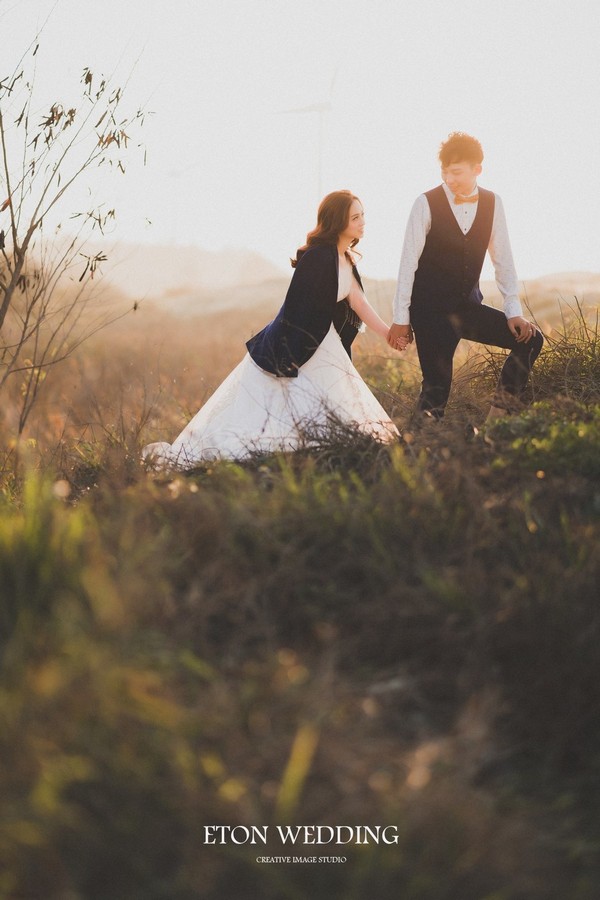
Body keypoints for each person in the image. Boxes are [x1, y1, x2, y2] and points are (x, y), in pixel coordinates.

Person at [143, 190, 404, 468]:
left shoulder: (346, 259)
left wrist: (389, 333)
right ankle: (283, 456)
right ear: (338, 221)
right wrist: (295, 351)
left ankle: (322, 455)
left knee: (332, 401)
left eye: (363, 215)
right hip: (300, 341)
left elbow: (359, 303)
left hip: (324, 341)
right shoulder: (317, 257)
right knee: (279, 405)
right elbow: (297, 308)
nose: (363, 222)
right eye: (355, 217)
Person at [387, 132, 544, 422]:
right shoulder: (425, 203)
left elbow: (504, 261)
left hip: (467, 308)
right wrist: (401, 318)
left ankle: (497, 419)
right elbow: (407, 264)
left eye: (456, 172)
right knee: (436, 390)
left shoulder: (493, 203)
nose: (449, 179)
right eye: (445, 172)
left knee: (531, 340)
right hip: (430, 312)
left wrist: (514, 312)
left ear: (477, 169)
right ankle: (416, 449)